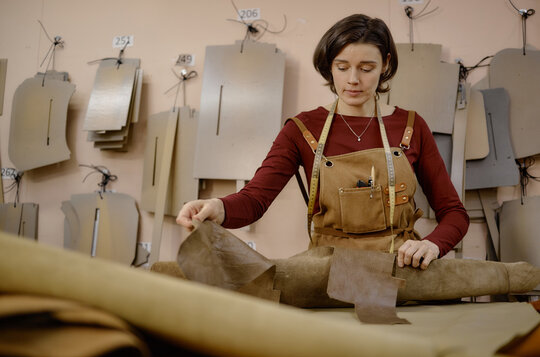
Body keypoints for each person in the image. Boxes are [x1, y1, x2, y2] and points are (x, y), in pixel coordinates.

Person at [177, 14, 469, 270]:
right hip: (325, 274)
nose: (353, 79)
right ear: (330, 66)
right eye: (342, 67)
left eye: (366, 68)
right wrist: (218, 206)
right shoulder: (302, 129)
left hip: (400, 270)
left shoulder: (411, 126)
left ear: (386, 64)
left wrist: (432, 245)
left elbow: (454, 213)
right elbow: (254, 200)